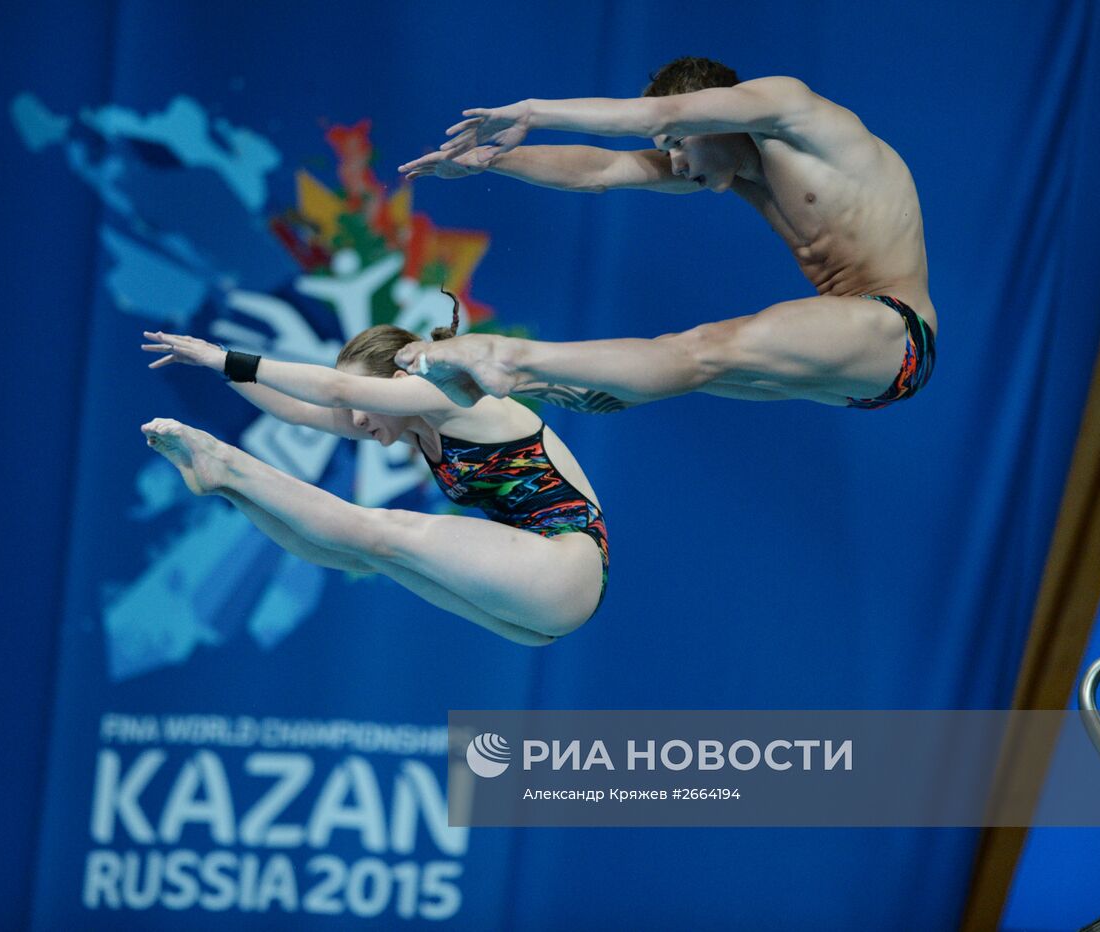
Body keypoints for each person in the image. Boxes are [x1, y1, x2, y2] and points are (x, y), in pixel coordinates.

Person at [395, 56, 936, 411]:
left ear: (718, 115)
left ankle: (509, 358)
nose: (675, 162)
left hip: (895, 332)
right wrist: (492, 159)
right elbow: (600, 172)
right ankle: (519, 383)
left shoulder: (791, 110)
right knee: (676, 359)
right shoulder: (734, 166)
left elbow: (665, 109)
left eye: (678, 141)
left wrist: (534, 111)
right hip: (854, 380)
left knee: (701, 350)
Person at [138, 296, 608, 647]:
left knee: (391, 529)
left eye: (366, 402)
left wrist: (225, 357)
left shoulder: (451, 393)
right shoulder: (413, 429)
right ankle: (226, 486)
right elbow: (299, 411)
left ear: (400, 385)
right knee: (368, 555)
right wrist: (219, 366)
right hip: (534, 611)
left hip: (565, 565)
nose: (358, 420)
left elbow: (335, 390)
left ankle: (227, 464)